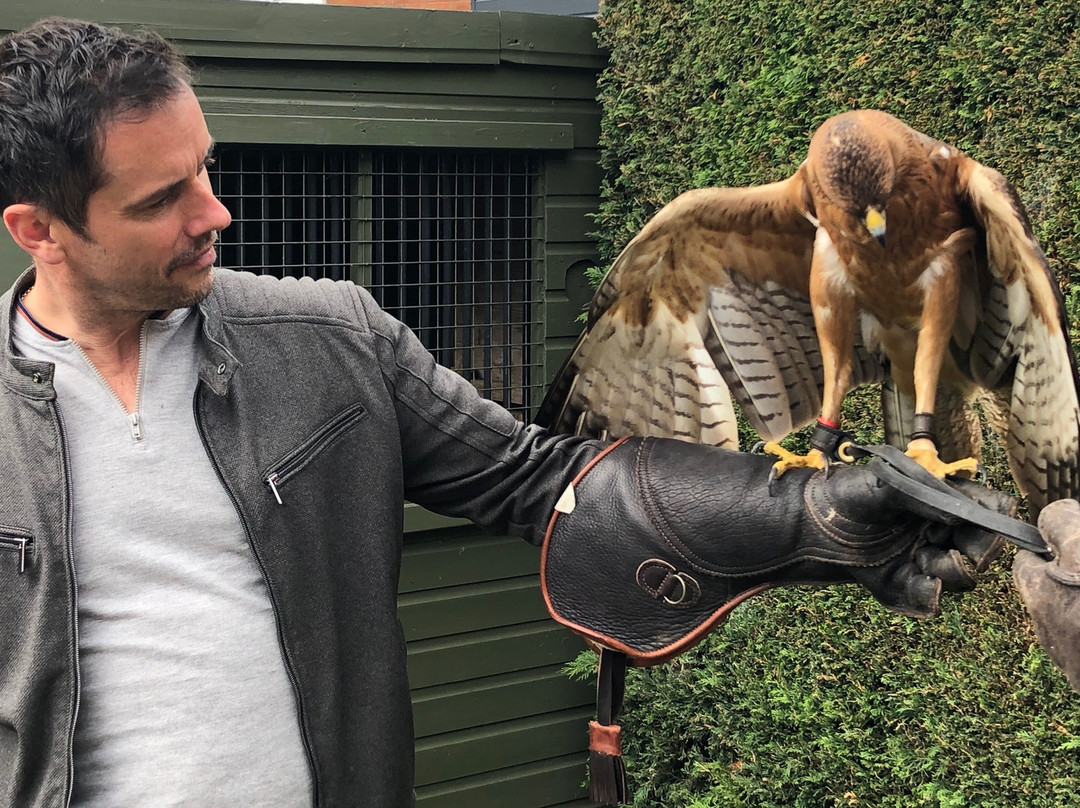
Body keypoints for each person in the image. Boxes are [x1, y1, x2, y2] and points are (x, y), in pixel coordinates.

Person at [0, 17, 1030, 808]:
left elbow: (543, 479)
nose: (213, 211)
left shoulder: (326, 341)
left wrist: (809, 521)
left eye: (207, 169)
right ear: (38, 228)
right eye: (161, 198)